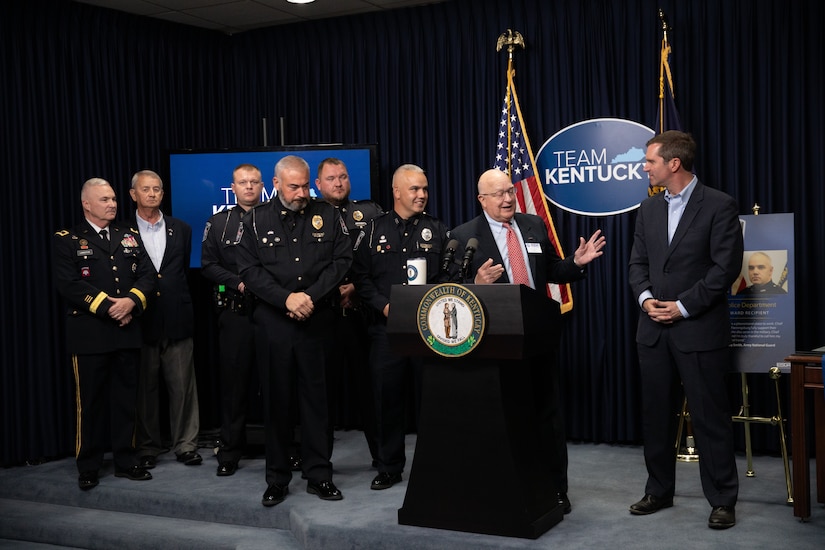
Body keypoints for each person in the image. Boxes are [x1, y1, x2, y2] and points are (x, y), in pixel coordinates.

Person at [449, 168, 606, 514]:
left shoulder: (533, 225)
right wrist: (476, 282)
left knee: (547, 416)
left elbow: (552, 271)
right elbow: (454, 297)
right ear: (482, 200)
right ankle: (505, 487)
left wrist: (576, 263)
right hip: (494, 343)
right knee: (503, 418)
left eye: (510, 191)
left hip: (537, 337)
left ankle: (556, 489)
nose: (508, 199)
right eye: (499, 194)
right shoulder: (463, 237)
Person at [628, 130, 743, 529]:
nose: (644, 167)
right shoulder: (648, 208)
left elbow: (724, 268)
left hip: (698, 330)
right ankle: (658, 490)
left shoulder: (719, 205)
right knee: (655, 415)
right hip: (653, 331)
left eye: (650, 161)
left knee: (710, 417)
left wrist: (681, 307)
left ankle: (723, 499)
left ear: (673, 163)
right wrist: (646, 300)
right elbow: (636, 265)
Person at [236, 155, 352, 507]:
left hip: (317, 321)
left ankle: (320, 475)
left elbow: (342, 261)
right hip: (274, 324)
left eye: (305, 185)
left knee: (318, 403)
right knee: (277, 403)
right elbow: (249, 270)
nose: (302, 192)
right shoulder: (255, 219)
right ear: (276, 184)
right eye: (294, 186)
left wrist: (309, 297)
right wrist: (286, 299)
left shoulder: (329, 215)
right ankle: (277, 478)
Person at [52, 177, 155, 489]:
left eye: (113, 199)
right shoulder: (67, 239)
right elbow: (69, 284)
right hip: (90, 334)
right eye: (105, 200)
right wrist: (108, 307)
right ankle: (89, 464)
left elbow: (149, 275)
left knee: (126, 400)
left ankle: (126, 460)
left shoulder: (129, 235)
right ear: (87, 204)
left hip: (127, 331)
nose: (112, 204)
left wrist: (131, 302)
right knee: (91, 404)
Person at [351, 164, 449, 490]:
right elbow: (361, 279)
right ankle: (388, 466)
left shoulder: (438, 230)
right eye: (414, 189)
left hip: (427, 332)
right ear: (396, 191)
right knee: (386, 400)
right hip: (386, 330)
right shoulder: (372, 230)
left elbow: (447, 279)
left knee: (432, 401)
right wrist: (384, 305)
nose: (421, 195)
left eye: (424, 189)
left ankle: (433, 464)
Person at [130, 169, 202, 469]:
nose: (152, 194)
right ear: (134, 194)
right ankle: (147, 447)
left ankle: (186, 445)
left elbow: (180, 272)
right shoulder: (123, 232)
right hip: (141, 320)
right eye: (146, 189)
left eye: (157, 189)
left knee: (184, 387)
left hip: (177, 316)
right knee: (144, 389)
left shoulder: (181, 228)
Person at [314, 158, 383, 465]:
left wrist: (356, 286)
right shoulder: (308, 216)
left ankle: (382, 458)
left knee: (370, 389)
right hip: (324, 315)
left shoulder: (369, 212)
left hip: (362, 314)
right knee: (321, 394)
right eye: (331, 178)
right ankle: (319, 464)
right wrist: (332, 291)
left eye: (343, 176)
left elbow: (381, 261)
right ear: (319, 184)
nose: (338, 183)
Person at [201, 163, 265, 476]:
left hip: (271, 313)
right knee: (234, 387)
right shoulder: (218, 223)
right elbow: (208, 265)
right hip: (236, 312)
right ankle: (229, 452)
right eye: (243, 182)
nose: (249, 187)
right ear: (233, 187)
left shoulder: (275, 220)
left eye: (254, 182)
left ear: (263, 185)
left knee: (278, 385)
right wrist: (240, 282)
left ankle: (288, 448)